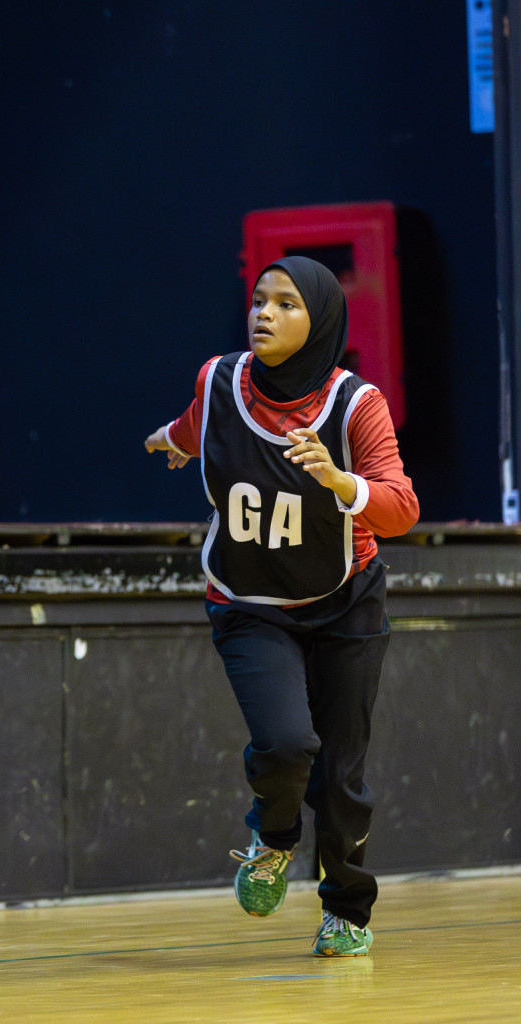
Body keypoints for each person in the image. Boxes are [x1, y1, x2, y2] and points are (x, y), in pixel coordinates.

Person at [143, 256, 419, 956]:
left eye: (286, 304)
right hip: (249, 602)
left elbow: (402, 507)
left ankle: (347, 911)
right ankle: (273, 838)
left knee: (341, 775)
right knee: (287, 743)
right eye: (259, 299)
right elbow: (194, 424)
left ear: (320, 319)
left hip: (344, 603)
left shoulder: (357, 405)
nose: (263, 312)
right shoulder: (220, 378)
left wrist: (339, 479)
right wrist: (170, 441)